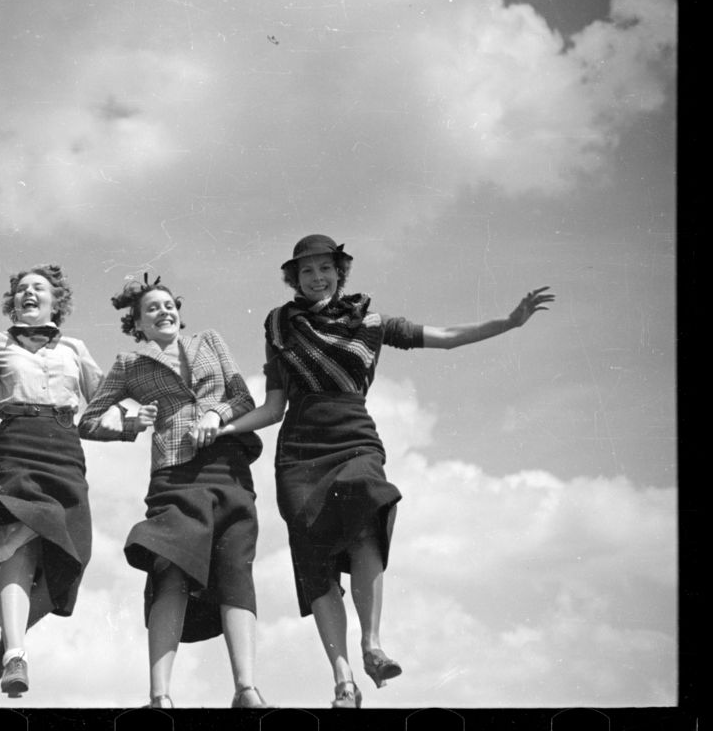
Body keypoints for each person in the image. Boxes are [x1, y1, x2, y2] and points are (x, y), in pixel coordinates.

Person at [217, 233, 554, 709]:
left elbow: (445, 338)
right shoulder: (279, 323)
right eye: (306, 271)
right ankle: (343, 680)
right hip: (298, 451)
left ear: (340, 271)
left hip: (354, 437)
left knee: (367, 514)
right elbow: (274, 405)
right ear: (294, 277)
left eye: (325, 268)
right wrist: (224, 429)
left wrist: (509, 323)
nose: (317, 277)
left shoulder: (371, 322)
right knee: (316, 564)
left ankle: (372, 644)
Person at [78, 276, 270, 710]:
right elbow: (87, 421)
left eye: (169, 305)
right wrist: (130, 423)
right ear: (138, 323)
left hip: (228, 467)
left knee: (236, 568)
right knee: (170, 570)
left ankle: (246, 689)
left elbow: (242, 397)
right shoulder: (129, 363)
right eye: (152, 309)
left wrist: (214, 414)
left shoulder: (211, 341)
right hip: (173, 473)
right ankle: (159, 696)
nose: (164, 312)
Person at [0, 264, 104, 698]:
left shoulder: (75, 347)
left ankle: (7, 638)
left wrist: (131, 417)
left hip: (64, 449)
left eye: (38, 288)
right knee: (17, 550)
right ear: (12, 301)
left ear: (58, 300)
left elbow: (103, 401)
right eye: (21, 289)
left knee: (74, 558)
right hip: (17, 446)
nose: (29, 294)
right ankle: (17, 655)